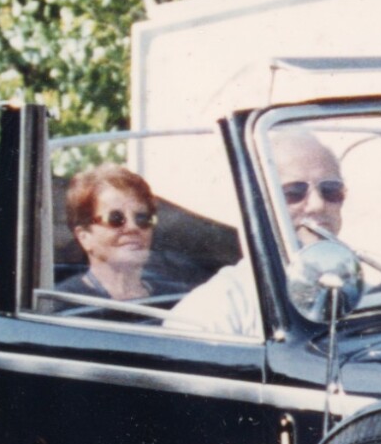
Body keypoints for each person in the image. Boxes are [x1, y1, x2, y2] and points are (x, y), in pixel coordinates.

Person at [170, 130, 345, 336]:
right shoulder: (218, 309)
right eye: (294, 192)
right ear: (261, 201)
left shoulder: (356, 290)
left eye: (331, 190)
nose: (317, 205)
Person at [57, 167, 186, 312]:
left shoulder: (176, 301)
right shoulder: (63, 306)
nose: (133, 227)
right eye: (115, 219)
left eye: (142, 218)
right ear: (84, 237)